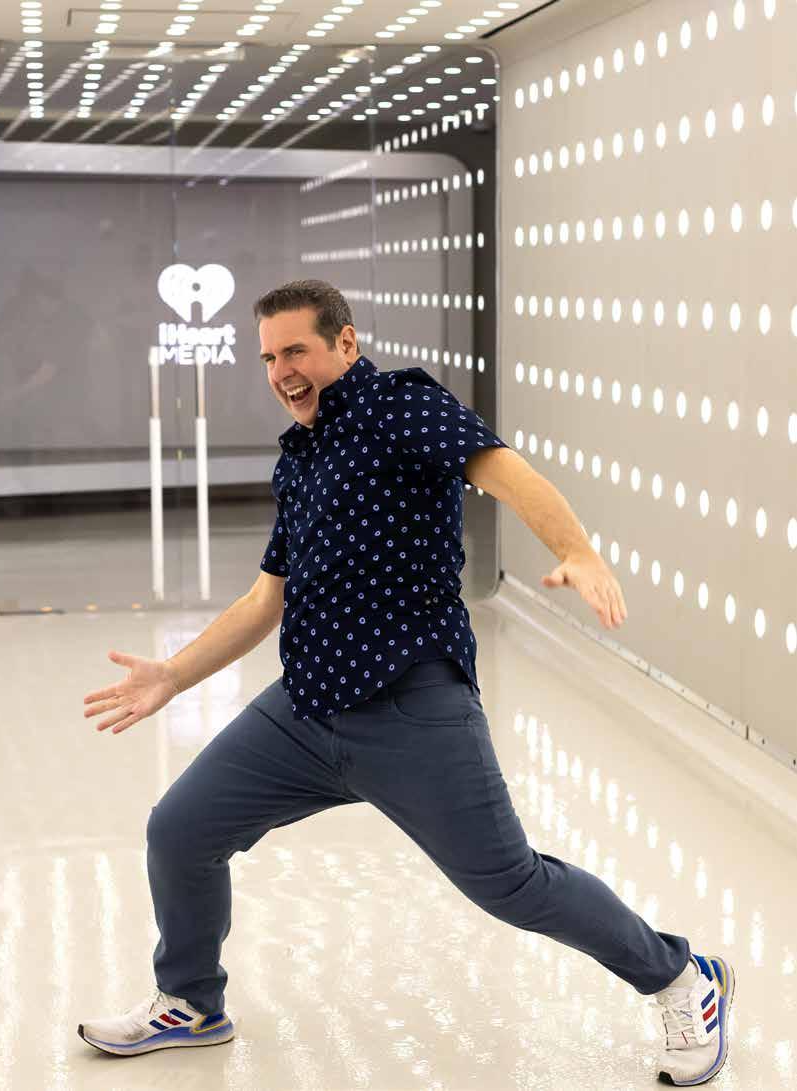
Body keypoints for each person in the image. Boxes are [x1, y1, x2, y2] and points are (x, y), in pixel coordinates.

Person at [78, 280, 735, 1085]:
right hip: (305, 707)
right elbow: (263, 600)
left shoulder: (399, 404)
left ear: (345, 343)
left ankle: (680, 977)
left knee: (510, 883)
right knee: (180, 829)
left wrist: (578, 550)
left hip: (409, 702)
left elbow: (504, 471)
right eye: (269, 357)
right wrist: (174, 674)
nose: (281, 371)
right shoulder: (301, 455)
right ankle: (190, 1001)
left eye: (296, 350)